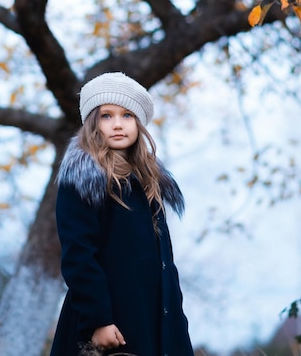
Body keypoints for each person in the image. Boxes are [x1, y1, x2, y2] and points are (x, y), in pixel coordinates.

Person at [50, 72, 194, 356]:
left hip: (156, 321)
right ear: (93, 123)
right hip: (109, 324)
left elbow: (165, 265)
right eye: (106, 116)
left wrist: (176, 325)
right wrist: (99, 320)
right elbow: (79, 256)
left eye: (127, 115)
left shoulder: (149, 182)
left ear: (139, 124)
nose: (117, 124)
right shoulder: (83, 180)